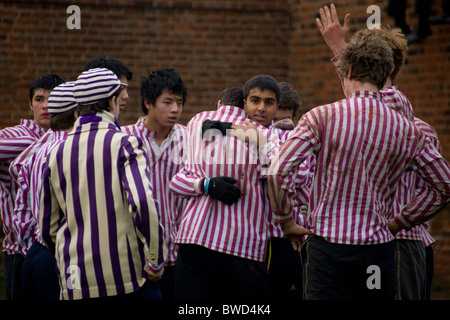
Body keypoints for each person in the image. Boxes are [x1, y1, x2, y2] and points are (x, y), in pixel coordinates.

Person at [267, 31, 450, 300]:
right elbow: (443, 185)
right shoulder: (410, 130)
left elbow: (278, 170)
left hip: (328, 246)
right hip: (377, 248)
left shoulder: (322, 116)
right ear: (388, 70)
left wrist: (286, 221)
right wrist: (399, 223)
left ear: (349, 69)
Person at [316, 4, 440, 299]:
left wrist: (339, 48)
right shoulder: (379, 112)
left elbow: (365, 101)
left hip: (401, 242)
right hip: (388, 242)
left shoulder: (396, 104)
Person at [39, 68, 165, 300]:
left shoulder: (55, 153)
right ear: (111, 101)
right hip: (125, 280)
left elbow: (48, 228)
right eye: (120, 95)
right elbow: (143, 204)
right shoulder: (125, 144)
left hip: (74, 282)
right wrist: (155, 261)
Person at [169, 75, 283, 300]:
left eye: (268, 102)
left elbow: (178, 182)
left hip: (196, 239)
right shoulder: (269, 136)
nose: (261, 108)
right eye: (255, 101)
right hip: (237, 245)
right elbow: (286, 175)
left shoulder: (198, 123)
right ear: (243, 103)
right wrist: (206, 184)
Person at [121, 67, 188, 300]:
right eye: (167, 102)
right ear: (148, 102)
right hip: (136, 258)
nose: (175, 109)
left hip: (181, 255)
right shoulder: (124, 139)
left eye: (179, 103)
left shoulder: (189, 139)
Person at [9, 81, 79, 300]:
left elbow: (21, 210)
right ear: (77, 113)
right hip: (65, 255)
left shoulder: (37, 149)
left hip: (34, 251)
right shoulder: (74, 150)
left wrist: (29, 248)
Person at [0, 73, 65, 300]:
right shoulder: (16, 135)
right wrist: (39, 142)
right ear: (30, 104)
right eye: (39, 99)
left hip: (57, 250)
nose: (45, 105)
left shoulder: (66, 136)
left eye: (52, 98)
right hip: (19, 250)